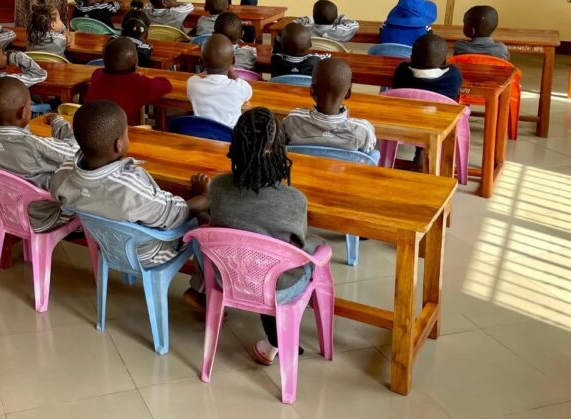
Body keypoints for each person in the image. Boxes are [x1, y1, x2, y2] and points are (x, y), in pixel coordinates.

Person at [201, 107, 326, 366]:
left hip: (228, 278)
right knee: (309, 250)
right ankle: (278, 337)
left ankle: (201, 289)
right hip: (277, 287)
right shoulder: (294, 200)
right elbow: (298, 245)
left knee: (251, 245)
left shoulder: (218, 187)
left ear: (234, 148)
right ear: (282, 152)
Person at [49, 100, 207, 266]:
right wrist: (205, 195)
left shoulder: (62, 175)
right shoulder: (128, 189)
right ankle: (201, 285)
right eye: (126, 133)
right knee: (203, 217)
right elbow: (174, 214)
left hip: (106, 244)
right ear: (119, 144)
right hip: (146, 254)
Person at [0, 77, 77, 231]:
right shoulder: (33, 144)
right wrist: (59, 123)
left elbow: (14, 144)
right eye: (30, 105)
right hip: (45, 217)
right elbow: (73, 150)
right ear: (23, 112)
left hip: (10, 215)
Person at [283, 58, 377, 154]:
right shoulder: (363, 130)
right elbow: (368, 153)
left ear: (312, 90)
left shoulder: (293, 120)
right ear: (348, 93)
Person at [85, 38, 172, 125]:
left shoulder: (96, 74)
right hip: (126, 133)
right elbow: (167, 85)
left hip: (95, 128)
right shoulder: (139, 83)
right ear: (136, 62)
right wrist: (141, 77)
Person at [187, 35, 253, 127]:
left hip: (201, 136)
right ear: (233, 61)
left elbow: (198, 76)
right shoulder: (239, 87)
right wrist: (229, 66)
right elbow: (248, 94)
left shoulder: (192, 84)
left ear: (202, 61)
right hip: (230, 138)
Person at [392, 34, 464, 101]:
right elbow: (452, 68)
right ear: (444, 62)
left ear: (411, 59)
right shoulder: (453, 76)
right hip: (441, 114)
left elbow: (404, 65)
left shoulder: (401, 72)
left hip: (407, 112)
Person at [293, 0, 360, 43]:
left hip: (312, 59)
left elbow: (293, 24)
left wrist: (309, 19)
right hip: (334, 62)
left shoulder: (305, 30)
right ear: (335, 19)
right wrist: (340, 19)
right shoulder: (340, 31)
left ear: (313, 15)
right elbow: (355, 24)